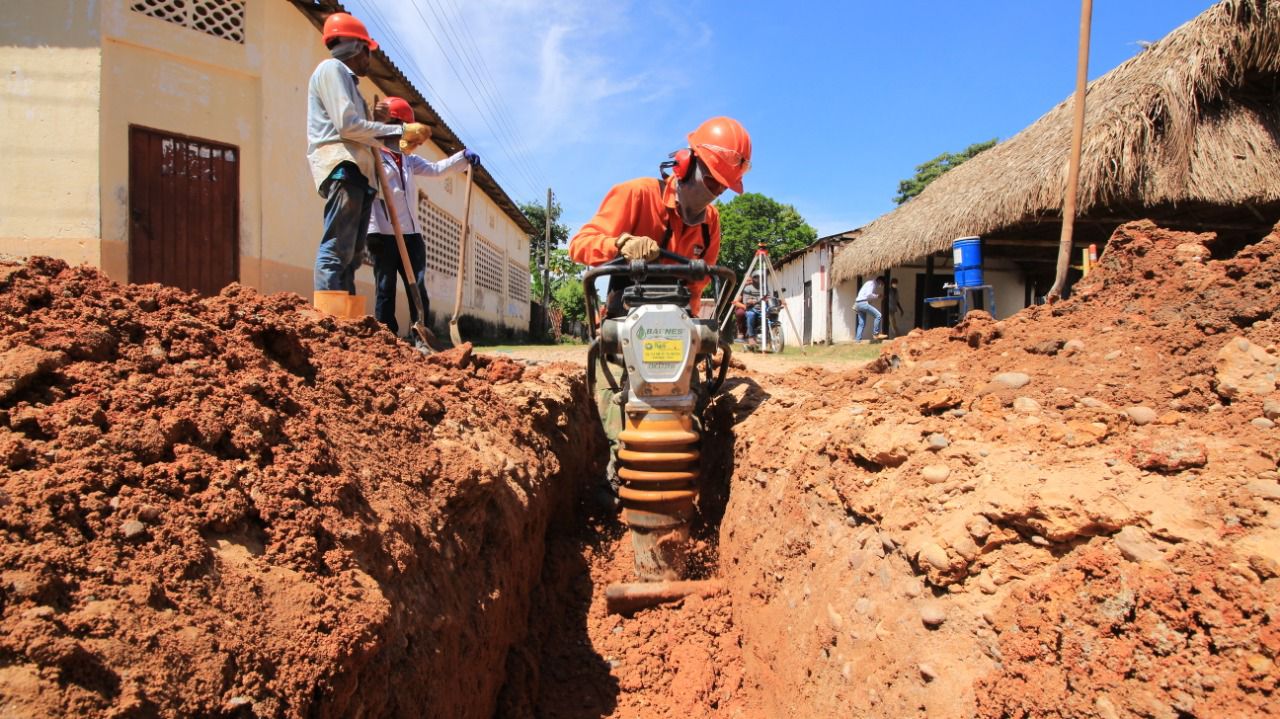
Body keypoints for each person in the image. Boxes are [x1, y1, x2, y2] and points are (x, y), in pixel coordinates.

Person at [568, 116, 752, 493]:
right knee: (616, 397)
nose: (716, 191)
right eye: (712, 178)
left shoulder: (710, 223)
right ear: (686, 164)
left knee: (689, 402)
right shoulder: (636, 195)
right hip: (625, 318)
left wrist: (697, 344)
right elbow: (579, 244)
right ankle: (615, 468)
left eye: (723, 185)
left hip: (676, 328)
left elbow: (698, 285)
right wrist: (619, 244)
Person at [306, 12, 430, 312]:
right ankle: (330, 322)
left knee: (351, 254)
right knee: (337, 249)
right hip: (342, 166)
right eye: (366, 51)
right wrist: (398, 131)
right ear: (353, 46)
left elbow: (362, 131)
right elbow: (349, 127)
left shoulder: (348, 82)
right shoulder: (331, 70)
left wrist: (394, 136)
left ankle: (345, 324)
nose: (368, 59)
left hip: (358, 173)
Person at [365, 95, 479, 342]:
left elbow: (437, 170)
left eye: (403, 127)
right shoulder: (372, 155)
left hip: (411, 235)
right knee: (384, 289)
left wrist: (462, 157)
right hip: (383, 234)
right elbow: (368, 191)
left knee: (417, 288)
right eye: (398, 126)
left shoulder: (407, 159)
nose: (401, 133)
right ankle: (386, 340)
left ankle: (422, 338)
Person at [854, 276, 888, 342]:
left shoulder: (869, 283)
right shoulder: (872, 284)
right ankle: (876, 334)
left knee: (861, 323)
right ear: (880, 281)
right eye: (882, 283)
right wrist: (878, 296)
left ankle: (857, 340)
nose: (882, 285)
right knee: (878, 315)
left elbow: (864, 295)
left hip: (858, 303)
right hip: (863, 303)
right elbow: (869, 295)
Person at [739, 275, 761, 346]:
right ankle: (743, 333)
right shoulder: (743, 290)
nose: (748, 282)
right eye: (747, 281)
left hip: (758, 307)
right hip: (747, 307)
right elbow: (736, 301)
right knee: (742, 313)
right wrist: (745, 305)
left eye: (750, 280)